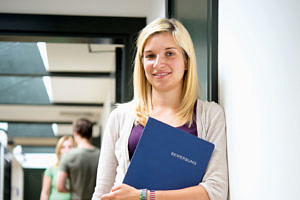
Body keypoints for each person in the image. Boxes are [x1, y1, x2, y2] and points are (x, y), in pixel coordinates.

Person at [91, 18, 228, 200]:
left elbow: (216, 191)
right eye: (150, 56)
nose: (158, 63)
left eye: (170, 53)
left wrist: (145, 196)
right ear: (142, 64)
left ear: (186, 61)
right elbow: (102, 191)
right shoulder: (120, 117)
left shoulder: (210, 115)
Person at [56, 118, 100, 200]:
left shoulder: (68, 156)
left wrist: (73, 191)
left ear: (75, 133)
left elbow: (60, 186)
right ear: (91, 134)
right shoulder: (101, 155)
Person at [40, 136, 75, 200]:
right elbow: (45, 193)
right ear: (59, 151)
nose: (67, 150)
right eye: (63, 147)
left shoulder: (78, 170)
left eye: (70, 147)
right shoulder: (51, 170)